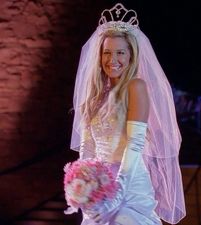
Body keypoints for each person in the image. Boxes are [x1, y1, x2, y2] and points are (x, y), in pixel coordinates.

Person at [70, 3, 186, 225]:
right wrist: (84, 183)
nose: (112, 59)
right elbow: (87, 147)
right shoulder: (95, 95)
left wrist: (116, 190)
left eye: (120, 52)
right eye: (107, 52)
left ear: (131, 55)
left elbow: (135, 143)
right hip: (99, 185)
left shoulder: (136, 87)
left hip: (129, 182)